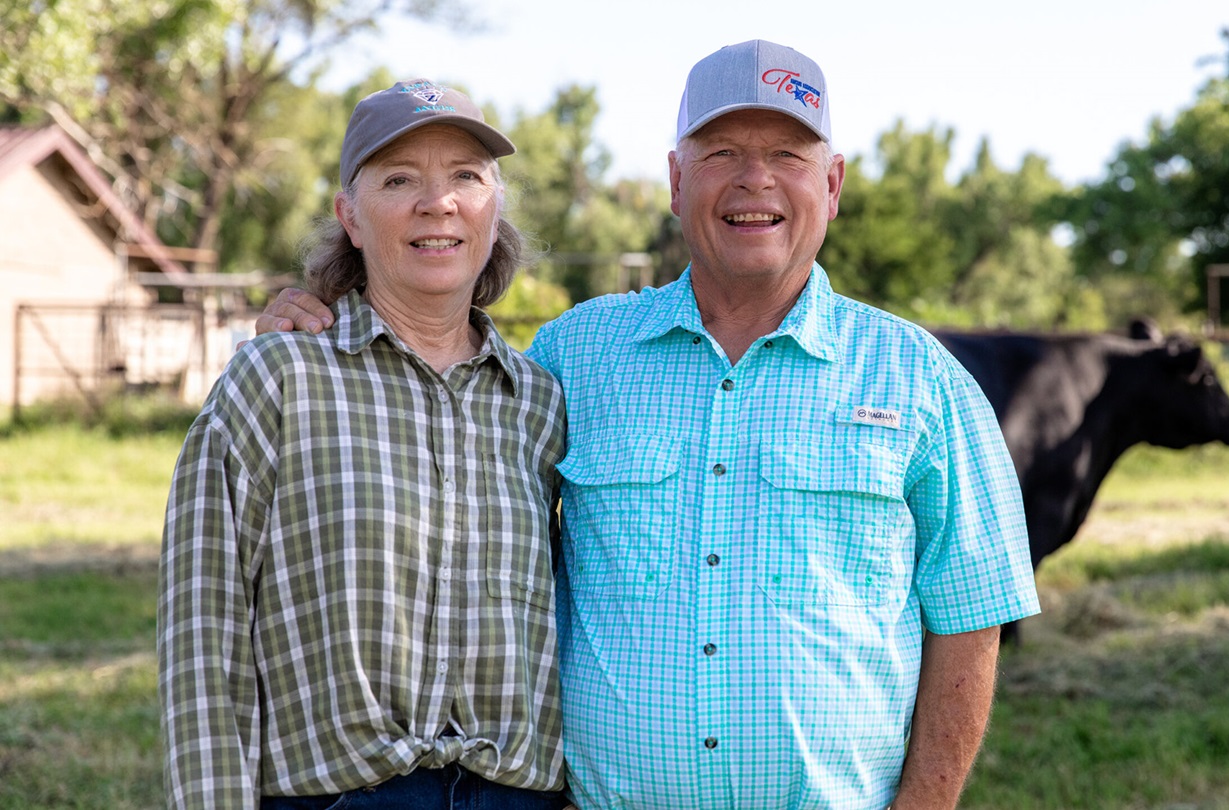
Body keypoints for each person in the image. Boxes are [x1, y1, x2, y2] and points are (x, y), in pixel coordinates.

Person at [257, 41, 1040, 810]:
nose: (755, 179)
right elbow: (434, 415)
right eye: (722, 152)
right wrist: (325, 328)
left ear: (831, 184)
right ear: (675, 181)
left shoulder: (921, 378)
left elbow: (970, 616)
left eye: (787, 155)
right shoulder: (574, 355)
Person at [159, 79, 570, 809]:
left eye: (466, 177)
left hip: (516, 795)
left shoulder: (539, 402)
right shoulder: (279, 377)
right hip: (340, 795)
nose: (438, 202)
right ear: (350, 215)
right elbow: (203, 629)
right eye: (399, 179)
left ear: (494, 207)